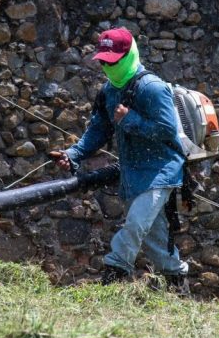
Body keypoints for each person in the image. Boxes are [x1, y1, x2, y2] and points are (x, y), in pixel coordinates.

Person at [50, 27, 189, 288]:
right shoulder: (109, 90)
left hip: (160, 171)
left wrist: (130, 119)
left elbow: (167, 130)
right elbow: (98, 130)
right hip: (132, 175)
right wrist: (73, 154)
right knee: (156, 241)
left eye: (113, 61)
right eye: (104, 61)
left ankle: (111, 281)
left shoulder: (153, 88)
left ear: (129, 55)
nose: (108, 67)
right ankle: (178, 288)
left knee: (134, 226)